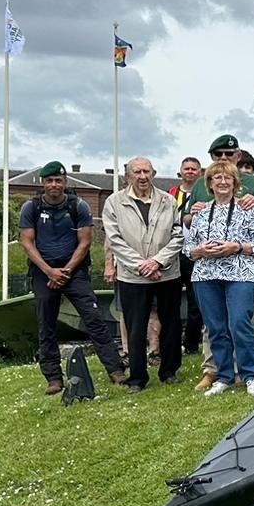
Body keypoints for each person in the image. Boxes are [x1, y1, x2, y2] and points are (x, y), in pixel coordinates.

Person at [19, 161, 127, 393]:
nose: (54, 185)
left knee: (94, 319)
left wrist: (66, 271)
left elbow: (85, 241)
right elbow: (27, 242)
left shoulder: (78, 206)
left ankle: (115, 370)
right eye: (50, 181)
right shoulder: (31, 207)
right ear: (43, 183)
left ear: (65, 182)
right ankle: (53, 378)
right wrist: (49, 271)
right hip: (43, 272)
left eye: (59, 180)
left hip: (74, 271)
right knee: (46, 325)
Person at [186, 160, 254, 396]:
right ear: (210, 184)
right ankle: (224, 376)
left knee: (239, 323)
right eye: (217, 178)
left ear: (235, 183)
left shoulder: (247, 209)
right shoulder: (201, 212)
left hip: (240, 273)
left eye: (227, 178)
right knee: (216, 327)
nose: (222, 182)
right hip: (205, 275)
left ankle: (250, 374)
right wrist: (199, 251)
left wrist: (237, 247)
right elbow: (187, 248)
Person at [101, 156, 184, 392]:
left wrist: (157, 262)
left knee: (171, 324)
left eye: (146, 171)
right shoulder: (114, 202)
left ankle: (169, 371)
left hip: (167, 273)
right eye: (136, 172)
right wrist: (142, 265)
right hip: (133, 275)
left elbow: (178, 235)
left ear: (153, 173)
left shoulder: (169, 201)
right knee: (136, 327)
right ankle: (137, 378)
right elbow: (115, 240)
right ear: (128, 176)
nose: (142, 176)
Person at [169, 155, 206, 354]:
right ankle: (171, 343)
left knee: (196, 301)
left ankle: (191, 343)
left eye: (194, 169)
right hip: (174, 251)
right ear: (181, 172)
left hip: (197, 252)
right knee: (171, 301)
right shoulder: (171, 194)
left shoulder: (205, 193)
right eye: (187, 168)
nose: (190, 172)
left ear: (200, 172)